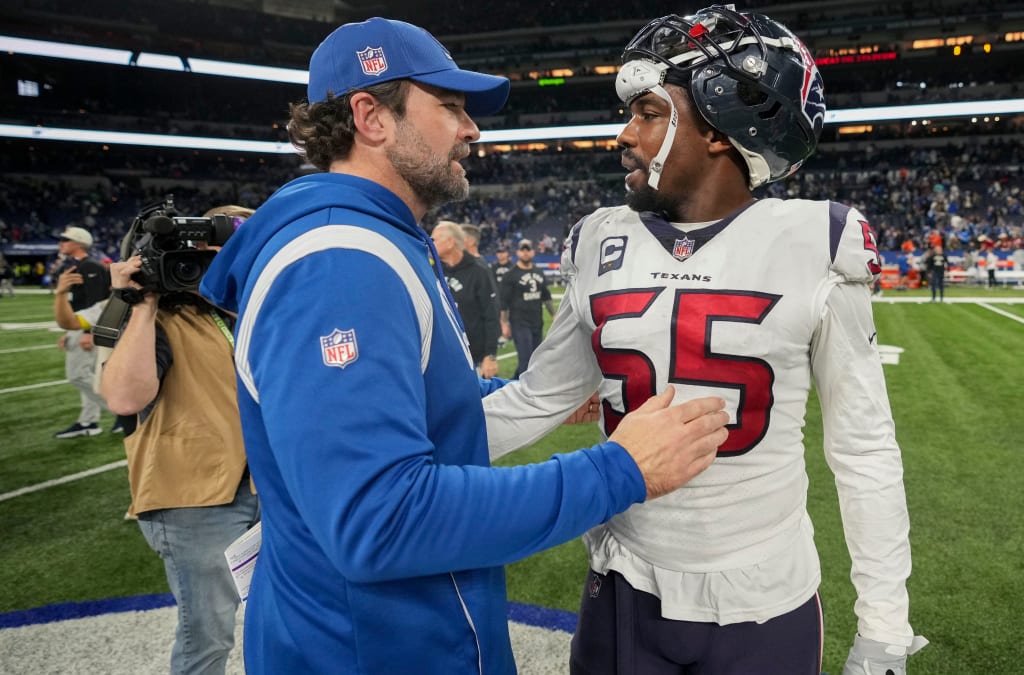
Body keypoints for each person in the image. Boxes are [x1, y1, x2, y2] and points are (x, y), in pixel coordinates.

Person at [197, 17, 729, 675]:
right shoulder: (340, 262)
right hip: (371, 651)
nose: (471, 127)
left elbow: (411, 396)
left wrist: (515, 400)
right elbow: (380, 518)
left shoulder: (376, 238)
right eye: (448, 106)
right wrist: (621, 469)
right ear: (371, 117)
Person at [483, 7, 924, 674]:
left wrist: (886, 623)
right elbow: (537, 398)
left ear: (721, 127)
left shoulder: (815, 240)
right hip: (622, 587)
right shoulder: (600, 235)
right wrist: (385, 451)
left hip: (762, 603)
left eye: (650, 112)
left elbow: (862, 445)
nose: (624, 134)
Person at [100, 205, 260, 675]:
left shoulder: (234, 314)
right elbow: (125, 397)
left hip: (262, 489)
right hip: (196, 500)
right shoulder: (165, 318)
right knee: (207, 637)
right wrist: (143, 301)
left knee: (279, 615)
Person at [51, 226, 112, 438]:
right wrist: (70, 330)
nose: (61, 243)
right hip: (80, 324)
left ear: (79, 242)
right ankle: (89, 421)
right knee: (87, 374)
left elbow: (96, 301)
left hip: (88, 326)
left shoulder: (90, 266)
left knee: (78, 375)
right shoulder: (79, 266)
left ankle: (122, 411)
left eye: (65, 239)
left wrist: (88, 331)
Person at [432, 220, 501, 377]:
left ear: (450, 242)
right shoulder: (431, 271)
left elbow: (491, 315)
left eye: (434, 239)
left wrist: (490, 355)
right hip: (442, 356)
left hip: (473, 357)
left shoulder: (478, 271)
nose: (430, 243)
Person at [498, 238, 553, 377]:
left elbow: (545, 296)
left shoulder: (539, 272)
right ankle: (525, 393)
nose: (525, 253)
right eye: (522, 250)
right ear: (517, 252)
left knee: (535, 358)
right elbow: (503, 302)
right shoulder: (510, 275)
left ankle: (515, 381)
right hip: (519, 322)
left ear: (533, 252)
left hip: (537, 322)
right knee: (526, 358)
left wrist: (554, 314)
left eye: (528, 249)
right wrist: (504, 323)